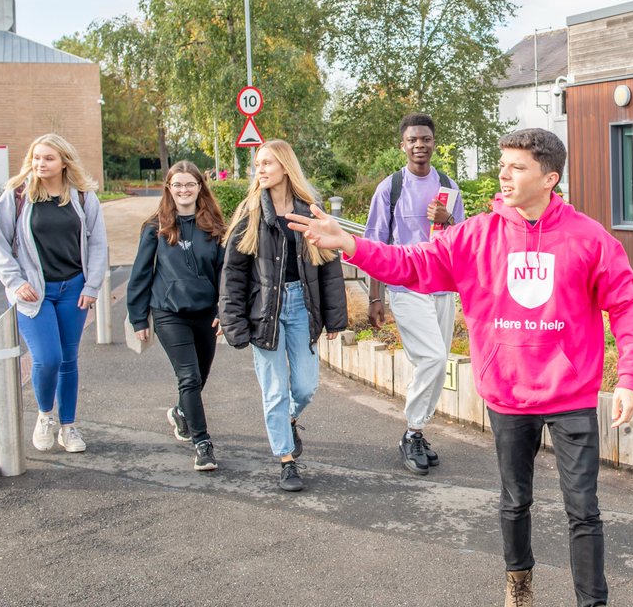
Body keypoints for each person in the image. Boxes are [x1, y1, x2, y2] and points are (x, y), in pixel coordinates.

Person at [291, 128, 633, 607]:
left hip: (571, 395)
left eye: (517, 166)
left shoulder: (587, 237)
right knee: (515, 501)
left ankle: (592, 602)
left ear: (550, 178)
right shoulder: (476, 235)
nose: (504, 173)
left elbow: (625, 303)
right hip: (508, 393)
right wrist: (350, 246)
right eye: (502, 163)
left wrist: (629, 378)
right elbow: (409, 263)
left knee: (583, 511)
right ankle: (519, 584)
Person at [218, 140, 347, 492]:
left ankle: (289, 420)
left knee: (305, 387)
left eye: (267, 164)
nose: (259, 170)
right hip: (265, 312)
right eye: (257, 164)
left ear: (285, 168)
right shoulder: (251, 213)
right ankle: (286, 460)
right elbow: (233, 273)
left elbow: (329, 266)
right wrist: (233, 321)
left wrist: (334, 318)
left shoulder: (310, 210)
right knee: (274, 390)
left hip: (302, 306)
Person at [0, 133, 109, 454]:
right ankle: (45, 416)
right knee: (47, 358)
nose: (40, 163)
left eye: (48, 158)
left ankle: (68, 426)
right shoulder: (16, 196)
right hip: (33, 294)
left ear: (63, 162)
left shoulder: (83, 197)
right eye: (36, 157)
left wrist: (92, 285)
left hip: (74, 290)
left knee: (68, 359)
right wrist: (15, 282)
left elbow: (97, 243)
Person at [364, 112, 465, 475]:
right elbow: (373, 246)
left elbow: (463, 242)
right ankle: (413, 431)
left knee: (435, 362)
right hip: (405, 286)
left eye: (426, 139)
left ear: (433, 143)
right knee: (434, 359)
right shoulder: (390, 188)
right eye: (413, 140)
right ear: (403, 145)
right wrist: (375, 298)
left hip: (442, 288)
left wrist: (448, 218)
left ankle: (417, 431)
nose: (419, 145)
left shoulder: (449, 187)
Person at [126, 161, 227, 472]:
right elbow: (140, 274)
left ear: (200, 187)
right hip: (169, 313)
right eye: (177, 185)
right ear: (169, 188)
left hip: (206, 313)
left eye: (190, 184)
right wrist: (138, 317)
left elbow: (226, 274)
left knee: (200, 378)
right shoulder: (155, 227)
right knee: (189, 377)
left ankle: (182, 413)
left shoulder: (215, 228)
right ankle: (202, 444)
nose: (184, 190)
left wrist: (225, 310)